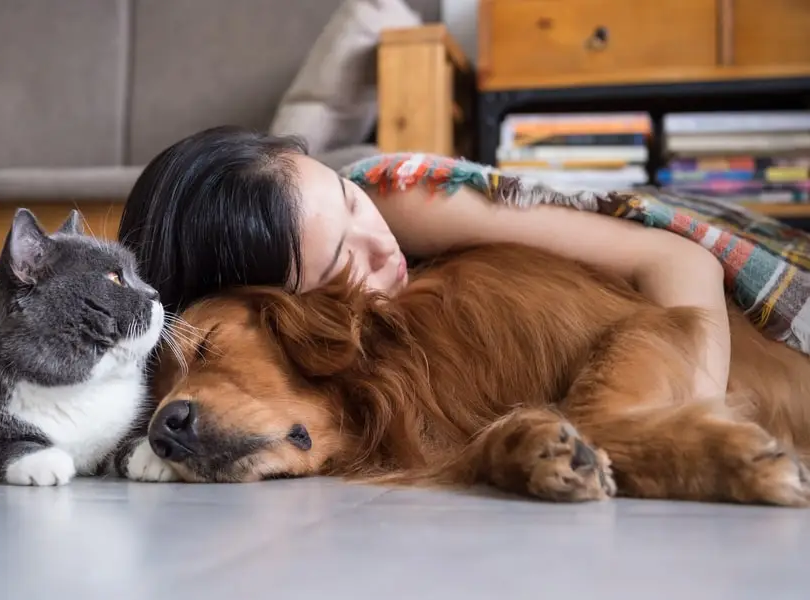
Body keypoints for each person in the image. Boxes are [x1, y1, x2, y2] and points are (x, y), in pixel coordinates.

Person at [118, 125, 730, 401]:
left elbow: (678, 257)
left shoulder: (404, 200)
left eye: (349, 202)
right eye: (339, 266)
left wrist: (696, 412)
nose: (380, 246)